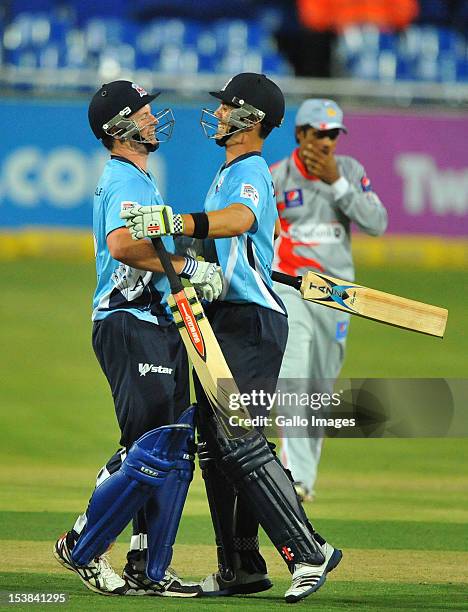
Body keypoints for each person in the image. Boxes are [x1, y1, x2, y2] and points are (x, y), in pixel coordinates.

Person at [122, 73, 343, 604]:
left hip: (251, 321)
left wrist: (180, 220)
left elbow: (241, 220)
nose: (218, 115)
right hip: (227, 318)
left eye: (227, 108)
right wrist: (188, 257)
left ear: (250, 120)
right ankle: (240, 566)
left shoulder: (249, 172)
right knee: (219, 447)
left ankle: (309, 551)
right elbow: (236, 246)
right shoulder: (228, 172)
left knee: (237, 440)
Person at [53, 79, 223, 597]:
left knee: (172, 446)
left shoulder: (138, 180)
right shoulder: (125, 180)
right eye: (143, 112)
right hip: (128, 322)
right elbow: (124, 246)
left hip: (155, 321)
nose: (153, 119)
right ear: (118, 128)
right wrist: (188, 266)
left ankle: (148, 569)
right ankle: (82, 544)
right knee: (150, 449)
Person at [271, 98, 388, 501]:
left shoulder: (351, 171)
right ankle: (294, 478)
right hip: (293, 287)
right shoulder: (277, 177)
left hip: (338, 294)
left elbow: (377, 223)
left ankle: (302, 479)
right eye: (319, 133)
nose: (326, 143)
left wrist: (338, 183)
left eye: (333, 135)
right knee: (296, 375)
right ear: (300, 133)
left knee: (319, 388)